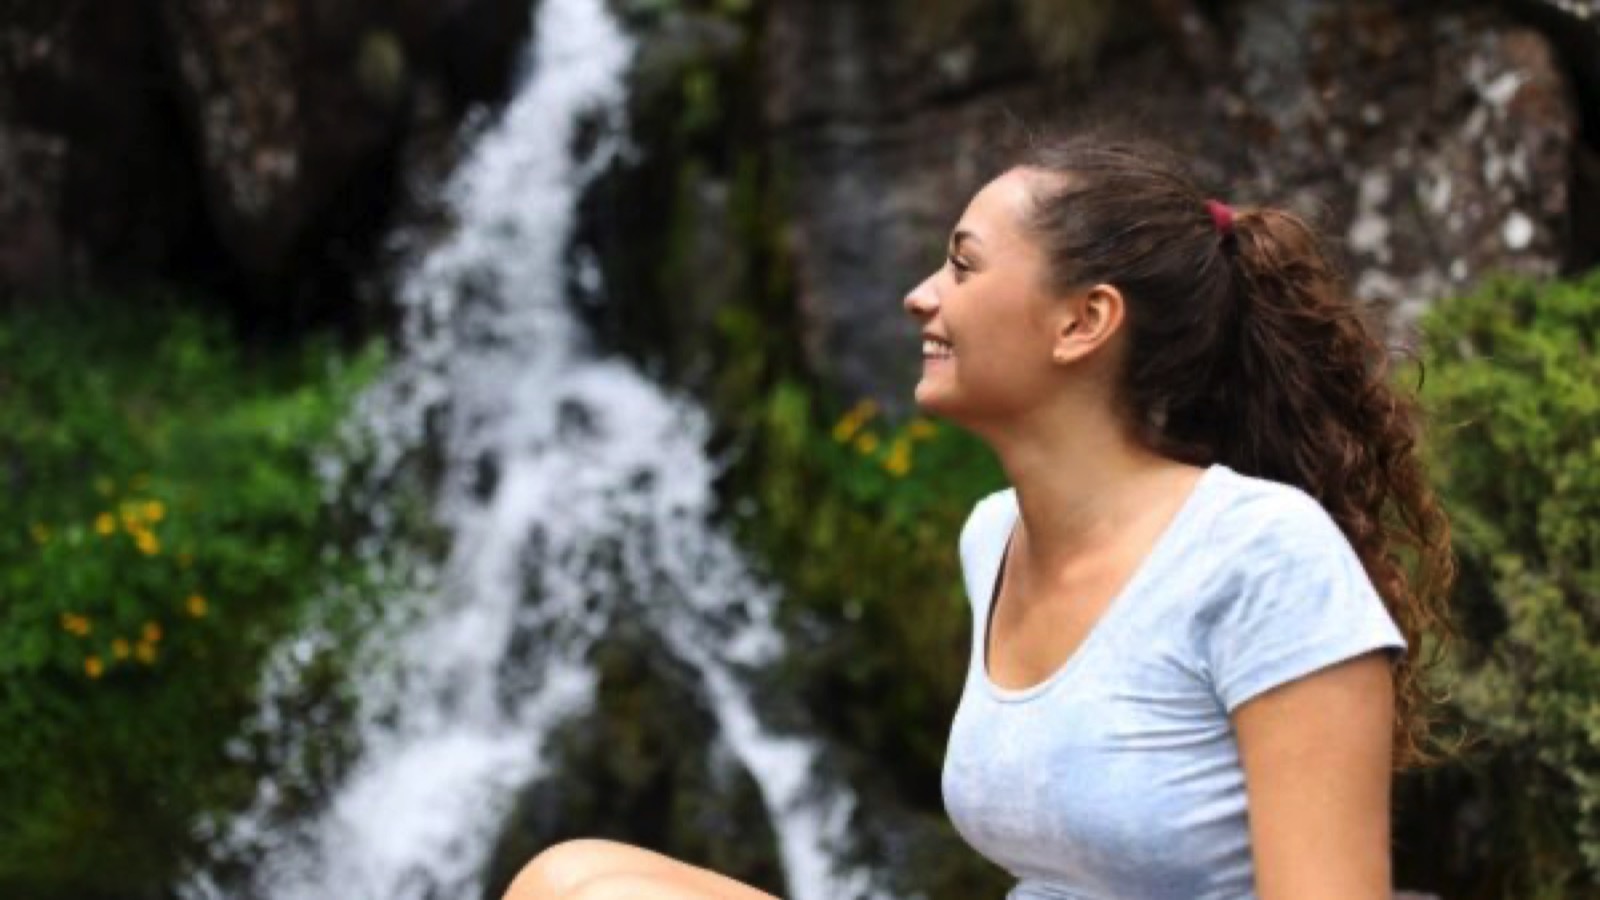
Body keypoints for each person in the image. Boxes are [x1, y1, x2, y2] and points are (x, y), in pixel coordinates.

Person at [502, 135, 1458, 899]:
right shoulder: (992, 535)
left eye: (962, 265)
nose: (920, 294)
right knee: (570, 879)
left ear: (1083, 321)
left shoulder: (1262, 553)